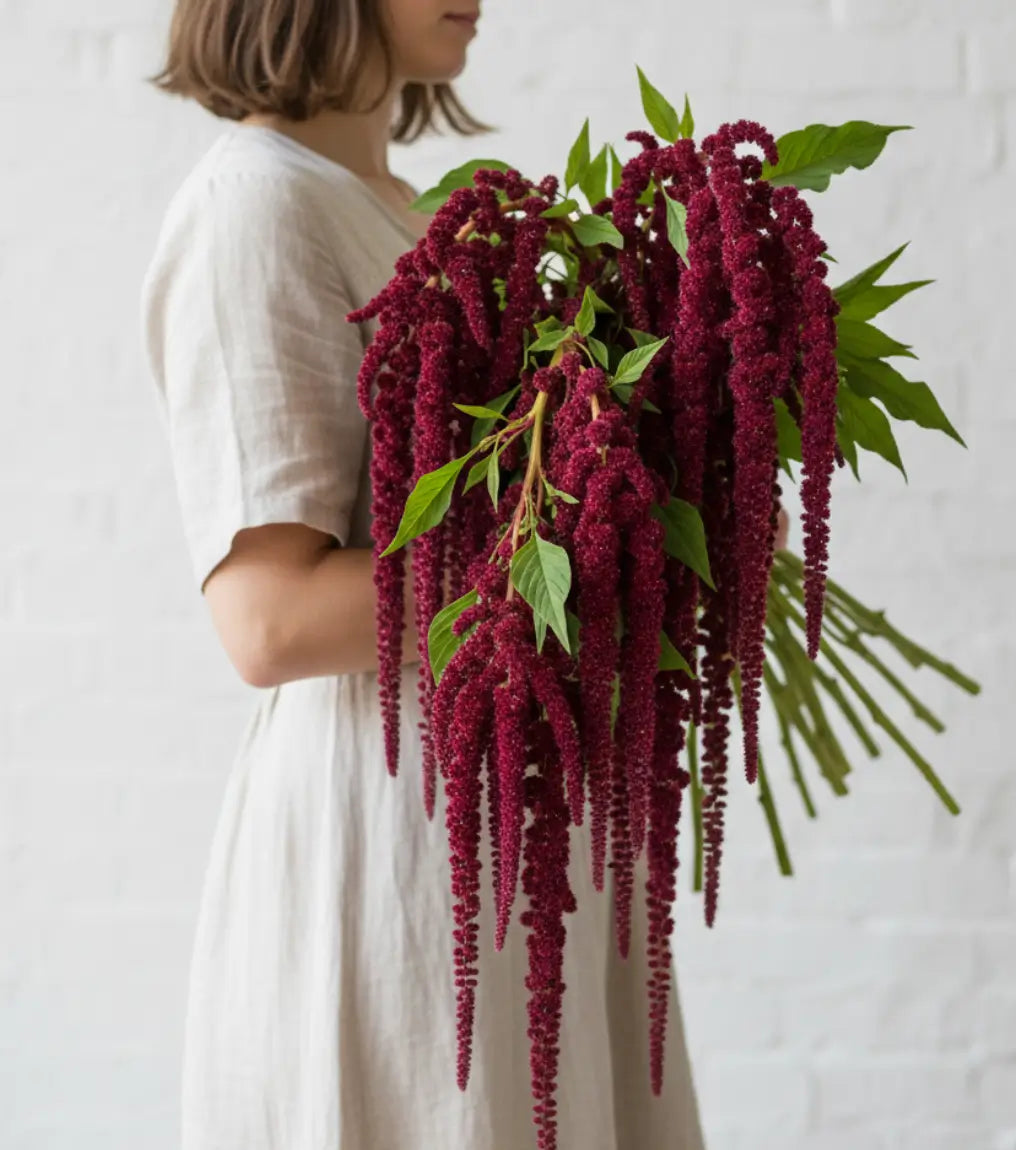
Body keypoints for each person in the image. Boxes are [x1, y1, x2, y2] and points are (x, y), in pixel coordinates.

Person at [140, 2, 709, 1146]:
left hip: (520, 842)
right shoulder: (255, 206)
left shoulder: (408, 212)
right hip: (401, 851)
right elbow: (271, 618)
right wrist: (587, 521)